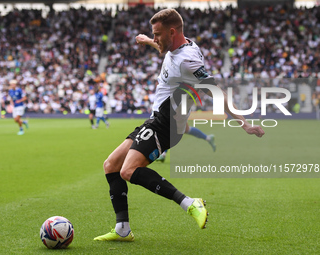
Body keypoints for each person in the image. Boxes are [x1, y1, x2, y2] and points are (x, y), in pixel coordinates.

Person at [94, 9, 264, 242]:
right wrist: (148, 42)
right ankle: (123, 229)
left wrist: (244, 124)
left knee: (127, 171)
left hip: (165, 125)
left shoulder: (187, 61)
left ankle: (190, 203)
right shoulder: (178, 48)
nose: (155, 38)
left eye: (157, 34)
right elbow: (168, 54)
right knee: (111, 165)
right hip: (155, 120)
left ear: (172, 32)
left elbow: (216, 91)